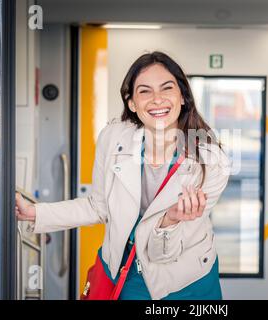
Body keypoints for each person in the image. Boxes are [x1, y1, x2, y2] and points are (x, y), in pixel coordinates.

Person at [15, 51, 231, 300]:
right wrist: (34, 212)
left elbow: (164, 254)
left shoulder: (210, 162)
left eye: (166, 88)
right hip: (121, 271)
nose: (157, 99)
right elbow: (98, 207)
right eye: (144, 91)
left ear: (182, 96)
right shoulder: (113, 138)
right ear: (131, 103)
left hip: (184, 282)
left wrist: (170, 222)